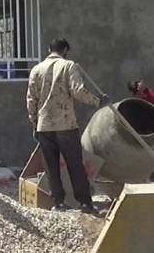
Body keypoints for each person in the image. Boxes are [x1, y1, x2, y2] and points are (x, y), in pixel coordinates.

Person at [27, 39, 109, 214]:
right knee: (75, 165)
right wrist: (98, 101)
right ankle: (85, 203)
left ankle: (58, 203)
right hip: (66, 125)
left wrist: (35, 124)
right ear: (65, 50)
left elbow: (31, 100)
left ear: (49, 49)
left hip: (44, 126)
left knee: (51, 167)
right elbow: (78, 91)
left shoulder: (36, 69)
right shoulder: (68, 66)